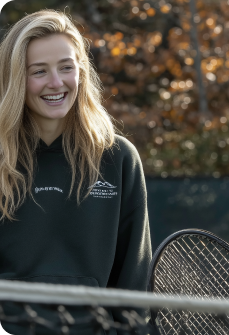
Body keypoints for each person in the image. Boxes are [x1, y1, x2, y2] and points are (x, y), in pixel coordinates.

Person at [0, 9, 151, 334]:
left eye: (66, 67)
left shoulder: (118, 158)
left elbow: (133, 285)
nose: (56, 83)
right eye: (38, 71)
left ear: (80, 71)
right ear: (15, 78)